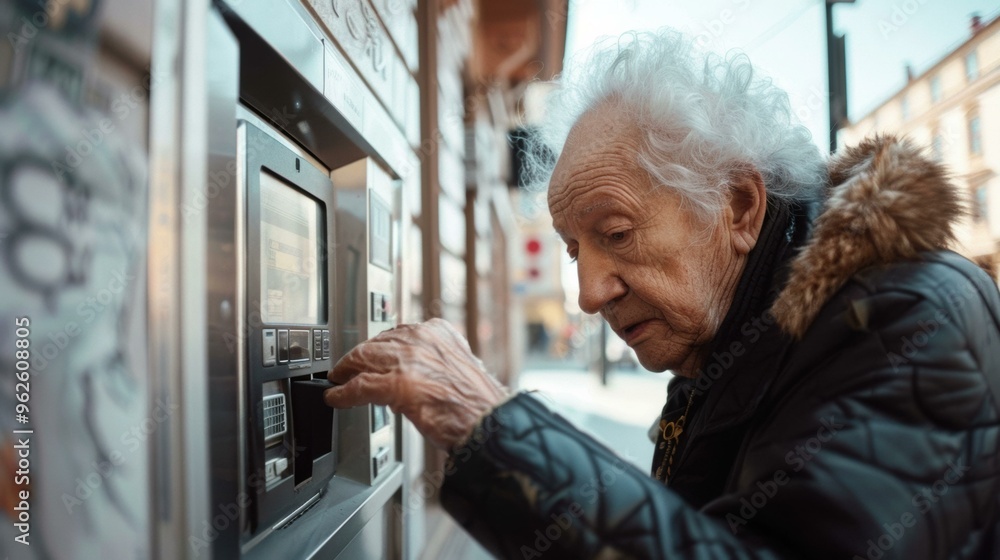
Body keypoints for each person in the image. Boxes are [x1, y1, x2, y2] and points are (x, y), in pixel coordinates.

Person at [324, 29, 1000, 559]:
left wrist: (492, 430)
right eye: (572, 250)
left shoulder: (903, 318)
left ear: (738, 206)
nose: (588, 292)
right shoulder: (725, 335)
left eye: (615, 233)